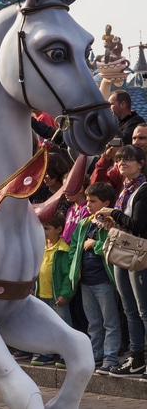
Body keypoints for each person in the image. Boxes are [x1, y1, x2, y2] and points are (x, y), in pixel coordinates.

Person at [95, 144, 147, 378]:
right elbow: (125, 223)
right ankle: (136, 359)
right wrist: (109, 221)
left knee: (144, 310)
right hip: (123, 254)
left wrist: (112, 213)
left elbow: (138, 226)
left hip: (140, 256)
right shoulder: (124, 190)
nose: (122, 163)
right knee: (130, 310)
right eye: (119, 160)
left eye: (128, 159)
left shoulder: (143, 190)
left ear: (141, 163)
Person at [67, 182, 122, 374]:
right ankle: (95, 355)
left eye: (93, 201)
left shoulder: (111, 223)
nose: (88, 205)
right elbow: (74, 247)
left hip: (104, 282)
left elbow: (115, 248)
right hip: (86, 282)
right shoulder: (84, 223)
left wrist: (95, 244)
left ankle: (110, 358)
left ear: (106, 202)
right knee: (93, 322)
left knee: (110, 322)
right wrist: (74, 269)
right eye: (88, 200)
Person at [30, 212, 74, 367]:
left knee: (62, 326)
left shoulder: (63, 249)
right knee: (44, 325)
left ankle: (66, 354)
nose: (43, 232)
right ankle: (45, 353)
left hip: (57, 297)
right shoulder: (40, 246)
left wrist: (64, 294)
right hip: (41, 295)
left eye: (46, 228)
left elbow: (68, 275)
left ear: (59, 229)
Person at [91, 123, 147, 191]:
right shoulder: (123, 165)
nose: (136, 142)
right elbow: (97, 190)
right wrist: (105, 160)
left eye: (141, 138)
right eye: (134, 138)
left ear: (141, 164)